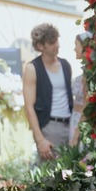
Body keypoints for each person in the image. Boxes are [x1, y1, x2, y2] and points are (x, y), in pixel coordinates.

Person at [23, 23, 73, 161]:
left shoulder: (65, 65)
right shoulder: (32, 68)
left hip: (70, 125)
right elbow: (29, 107)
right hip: (50, 127)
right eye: (52, 42)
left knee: (73, 171)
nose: (57, 45)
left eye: (57, 40)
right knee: (51, 173)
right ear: (40, 46)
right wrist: (40, 140)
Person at [69, 32, 91, 147]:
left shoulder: (88, 76)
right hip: (75, 118)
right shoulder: (83, 74)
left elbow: (86, 105)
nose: (74, 49)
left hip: (81, 121)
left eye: (76, 44)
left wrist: (76, 135)